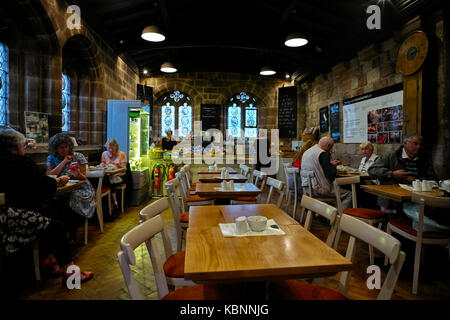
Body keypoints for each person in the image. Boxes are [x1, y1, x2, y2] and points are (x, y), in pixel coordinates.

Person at [0, 128, 93, 290]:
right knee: (55, 225)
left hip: (6, 213)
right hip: (11, 216)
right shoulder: (21, 162)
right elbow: (45, 185)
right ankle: (70, 273)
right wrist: (59, 181)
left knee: (51, 212)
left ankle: (52, 259)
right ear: (17, 147)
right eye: (23, 145)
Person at [368, 133, 436, 212]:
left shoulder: (423, 159)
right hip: (393, 201)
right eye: (415, 144)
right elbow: (372, 170)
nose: (418, 147)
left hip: (416, 199)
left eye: (420, 144)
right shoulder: (391, 156)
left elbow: (431, 178)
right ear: (405, 143)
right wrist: (392, 174)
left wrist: (416, 181)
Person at [46, 133, 96, 238]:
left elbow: (83, 178)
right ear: (55, 148)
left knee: (72, 199)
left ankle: (72, 234)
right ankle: (61, 233)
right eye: (60, 147)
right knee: (54, 202)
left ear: (70, 146)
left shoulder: (78, 156)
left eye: (66, 147)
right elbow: (49, 176)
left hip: (81, 188)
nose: (64, 150)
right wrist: (63, 162)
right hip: (63, 189)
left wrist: (77, 174)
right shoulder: (51, 158)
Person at [300, 136, 352, 209]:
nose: (330, 150)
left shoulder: (308, 151)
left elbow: (317, 165)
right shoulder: (323, 154)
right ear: (328, 146)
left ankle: (329, 213)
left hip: (307, 187)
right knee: (348, 194)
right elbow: (330, 175)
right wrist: (334, 167)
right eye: (331, 148)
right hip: (318, 188)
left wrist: (329, 164)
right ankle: (340, 218)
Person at [101, 139, 127, 211]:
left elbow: (125, 169)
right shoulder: (104, 154)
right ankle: (112, 203)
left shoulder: (121, 154)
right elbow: (102, 164)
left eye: (112, 148)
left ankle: (113, 202)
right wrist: (103, 164)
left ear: (116, 147)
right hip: (108, 175)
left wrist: (119, 165)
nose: (110, 150)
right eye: (109, 148)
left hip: (120, 176)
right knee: (108, 179)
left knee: (110, 180)